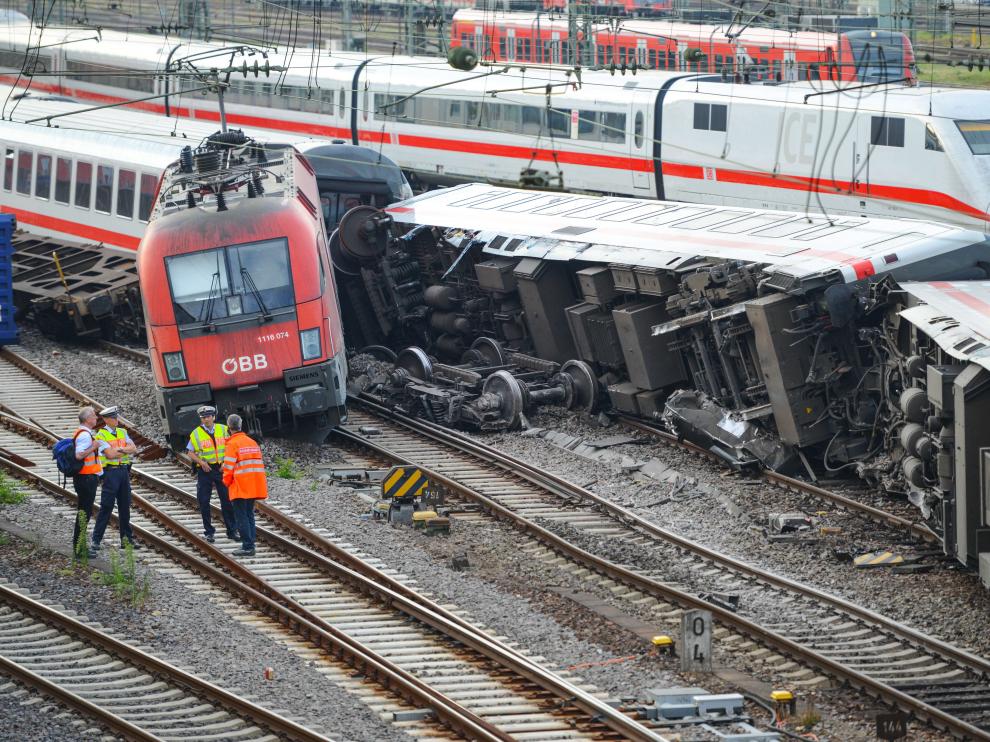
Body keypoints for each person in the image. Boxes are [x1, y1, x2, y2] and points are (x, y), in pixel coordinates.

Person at [89, 406, 139, 557]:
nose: (116, 420)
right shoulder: (100, 435)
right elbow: (109, 455)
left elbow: (134, 448)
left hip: (123, 471)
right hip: (110, 473)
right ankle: (96, 540)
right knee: (107, 506)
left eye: (116, 417)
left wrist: (121, 450)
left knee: (125, 506)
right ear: (105, 419)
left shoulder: (123, 432)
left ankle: (126, 540)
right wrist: (125, 449)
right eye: (113, 417)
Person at [187, 406, 238, 544]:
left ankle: (232, 530)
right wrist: (201, 463)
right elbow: (190, 452)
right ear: (201, 419)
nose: (206, 419)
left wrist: (225, 463)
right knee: (204, 501)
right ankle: (209, 532)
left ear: (214, 417)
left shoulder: (223, 430)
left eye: (208, 416)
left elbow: (231, 447)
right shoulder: (196, 433)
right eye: (203, 417)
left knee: (227, 501)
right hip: (205, 470)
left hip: (221, 469)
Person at [221, 414, 267, 557]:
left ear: (229, 427)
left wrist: (226, 483)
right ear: (241, 426)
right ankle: (250, 543)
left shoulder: (232, 444)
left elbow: (228, 468)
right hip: (253, 484)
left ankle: (247, 546)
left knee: (241, 516)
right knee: (249, 514)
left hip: (240, 485)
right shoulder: (252, 443)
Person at [71, 406, 107, 556]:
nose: (96, 418)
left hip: (86, 478)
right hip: (86, 479)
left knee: (84, 513)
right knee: (84, 514)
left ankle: (79, 547)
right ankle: (79, 549)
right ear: (87, 419)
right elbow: (79, 455)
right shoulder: (85, 435)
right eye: (94, 416)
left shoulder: (83, 433)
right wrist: (93, 446)